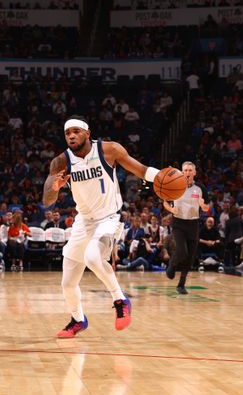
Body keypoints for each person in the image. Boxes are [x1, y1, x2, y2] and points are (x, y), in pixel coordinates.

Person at [43, 117, 161, 338]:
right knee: (68, 283)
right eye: (68, 133)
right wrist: (56, 188)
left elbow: (142, 170)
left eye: (76, 131)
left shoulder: (109, 150)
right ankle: (78, 320)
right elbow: (47, 200)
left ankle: (120, 299)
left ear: (88, 133)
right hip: (84, 221)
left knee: (93, 258)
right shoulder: (60, 162)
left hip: (108, 217)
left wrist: (160, 176)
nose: (71, 136)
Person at [161, 162, 210, 294]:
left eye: (190, 170)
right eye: (185, 170)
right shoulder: (175, 186)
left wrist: (203, 206)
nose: (187, 173)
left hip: (193, 224)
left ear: (194, 173)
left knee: (190, 257)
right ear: (182, 172)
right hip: (178, 223)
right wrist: (171, 209)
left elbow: (207, 208)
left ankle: (181, 285)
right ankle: (172, 264)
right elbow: (165, 201)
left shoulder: (200, 188)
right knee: (182, 251)